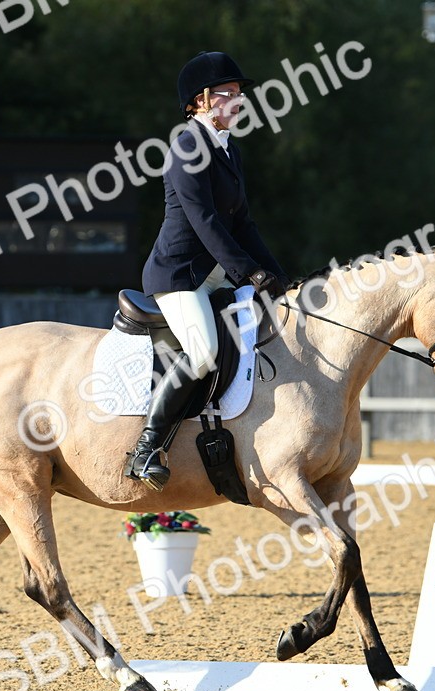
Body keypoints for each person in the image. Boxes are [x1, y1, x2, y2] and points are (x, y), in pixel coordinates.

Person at [125, 51, 290, 492]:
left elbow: (243, 225)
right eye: (228, 95)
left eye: (239, 95)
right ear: (199, 101)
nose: (237, 102)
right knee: (202, 352)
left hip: (214, 273)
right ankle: (146, 448)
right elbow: (206, 222)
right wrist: (247, 273)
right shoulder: (186, 146)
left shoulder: (229, 150)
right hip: (180, 275)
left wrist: (280, 279)